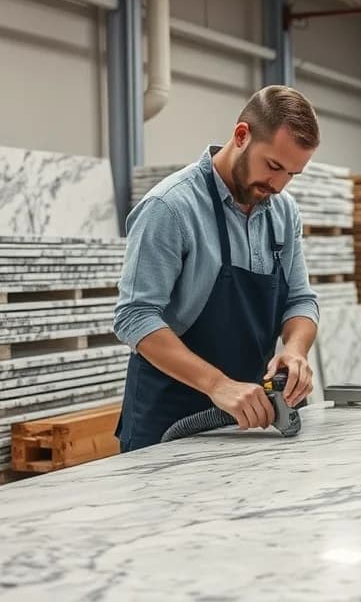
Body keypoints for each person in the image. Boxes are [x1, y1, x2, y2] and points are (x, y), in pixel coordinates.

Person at [112, 86, 321, 451]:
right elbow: (135, 316)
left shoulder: (283, 212)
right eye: (273, 166)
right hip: (169, 423)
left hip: (250, 423)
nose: (278, 185)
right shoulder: (170, 208)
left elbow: (300, 300)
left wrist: (296, 350)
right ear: (242, 136)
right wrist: (218, 385)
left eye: (292, 174)